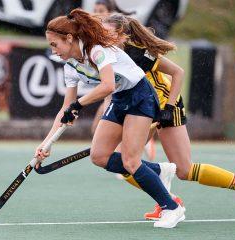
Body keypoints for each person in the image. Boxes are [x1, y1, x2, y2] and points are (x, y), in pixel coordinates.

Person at [102, 14, 235, 218]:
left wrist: (169, 109)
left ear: (122, 36)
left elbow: (178, 72)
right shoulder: (107, 56)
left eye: (106, 32)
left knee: (184, 170)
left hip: (166, 106)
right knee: (125, 164)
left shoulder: (139, 54)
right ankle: (167, 199)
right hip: (141, 111)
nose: (101, 37)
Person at [35, 8, 185, 228]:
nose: (53, 50)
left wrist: (79, 104)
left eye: (54, 44)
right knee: (99, 156)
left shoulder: (96, 50)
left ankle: (172, 208)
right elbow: (66, 107)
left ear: (69, 38)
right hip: (120, 98)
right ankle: (159, 171)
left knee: (130, 161)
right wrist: (46, 143)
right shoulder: (70, 66)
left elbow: (107, 85)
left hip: (140, 95)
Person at [91, 0, 156, 160]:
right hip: (122, 92)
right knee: (96, 128)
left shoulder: (130, 46)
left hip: (144, 93)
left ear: (110, 13)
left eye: (101, 10)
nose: (96, 15)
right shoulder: (102, 46)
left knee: (124, 143)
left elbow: (160, 62)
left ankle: (142, 143)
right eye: (95, 10)